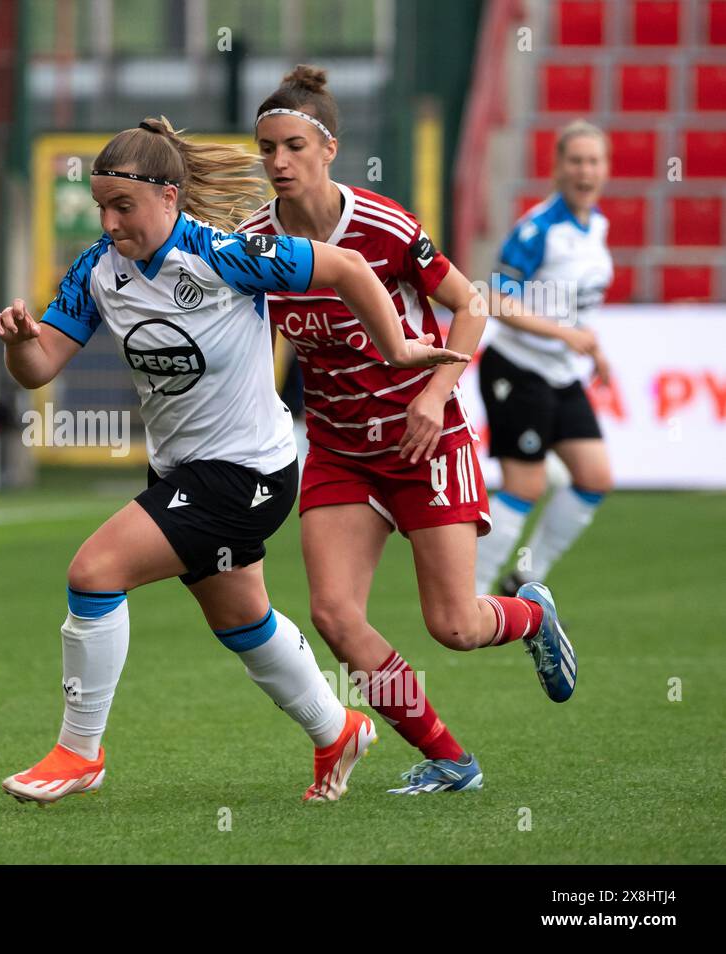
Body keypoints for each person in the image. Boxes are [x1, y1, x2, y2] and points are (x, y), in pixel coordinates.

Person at [0, 116, 468, 805]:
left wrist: (395, 348)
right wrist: (17, 341)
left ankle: (78, 752)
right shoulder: (96, 269)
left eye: (123, 206)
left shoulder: (225, 254)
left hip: (249, 473)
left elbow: (348, 266)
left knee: (94, 574)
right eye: (101, 207)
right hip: (181, 471)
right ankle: (336, 730)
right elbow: (39, 368)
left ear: (169, 197)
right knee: (241, 620)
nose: (110, 222)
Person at [240, 66, 579, 795]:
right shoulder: (254, 244)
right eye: (267, 148)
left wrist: (434, 395)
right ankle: (451, 759)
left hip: (425, 440)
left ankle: (529, 616)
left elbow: (471, 304)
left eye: (294, 146)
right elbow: (250, 338)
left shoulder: (385, 226)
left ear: (329, 149)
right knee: (335, 616)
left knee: (454, 626)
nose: (279, 162)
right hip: (338, 449)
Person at [474, 120, 614, 599]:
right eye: (576, 161)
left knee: (594, 478)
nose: (585, 171)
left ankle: (524, 580)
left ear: (606, 169)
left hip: (561, 373)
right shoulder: (539, 229)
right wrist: (563, 335)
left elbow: (574, 305)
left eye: (593, 161)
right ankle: (469, 597)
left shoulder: (596, 226)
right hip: (517, 369)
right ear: (557, 167)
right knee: (525, 486)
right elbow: (495, 298)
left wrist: (593, 348)